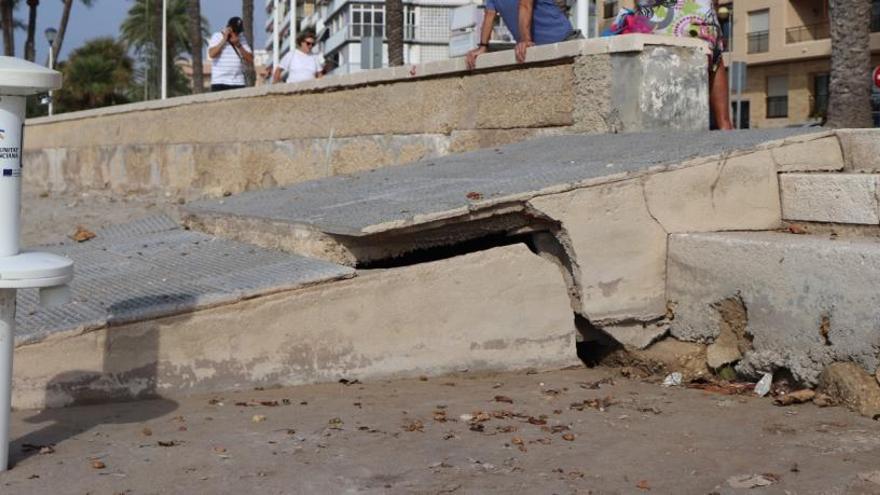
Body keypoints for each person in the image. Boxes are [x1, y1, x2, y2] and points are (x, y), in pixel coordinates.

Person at [616, 0, 733, 130]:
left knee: (647, 62)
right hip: (695, 9)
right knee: (713, 55)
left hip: (656, 12)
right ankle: (724, 123)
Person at [466, 0, 577, 69]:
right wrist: (483, 47)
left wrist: (525, 40)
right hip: (539, 49)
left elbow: (525, 5)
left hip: (565, 40)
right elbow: (489, 15)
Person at [208, 16, 254, 92]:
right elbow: (212, 54)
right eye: (235, 31)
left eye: (238, 31)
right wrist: (224, 40)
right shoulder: (217, 36)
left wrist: (238, 45)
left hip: (238, 82)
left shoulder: (242, 38)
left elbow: (250, 59)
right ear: (229, 28)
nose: (237, 33)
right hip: (220, 81)